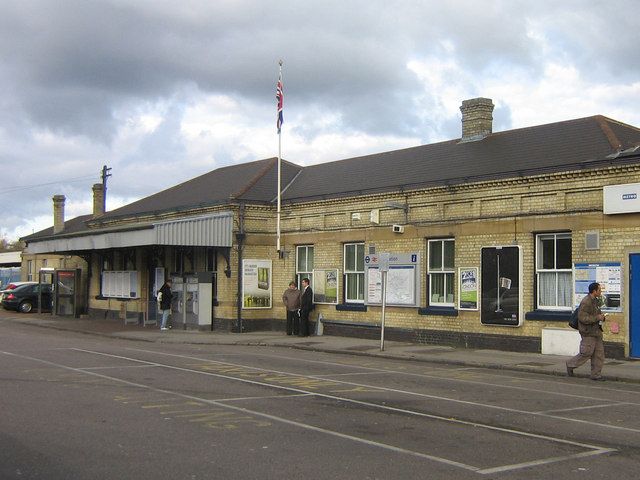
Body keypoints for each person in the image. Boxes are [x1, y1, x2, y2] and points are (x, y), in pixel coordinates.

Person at [566, 282, 606, 381]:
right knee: (586, 353)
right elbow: (583, 318)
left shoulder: (595, 301)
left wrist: (602, 317)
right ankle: (570, 365)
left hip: (596, 332)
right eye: (599, 290)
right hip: (588, 332)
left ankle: (596, 375)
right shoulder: (586, 302)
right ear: (594, 291)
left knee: (599, 355)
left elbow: (597, 313)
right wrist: (597, 317)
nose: (600, 291)